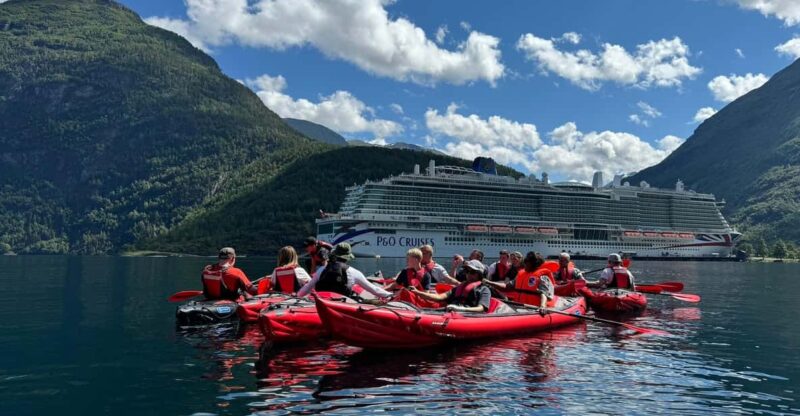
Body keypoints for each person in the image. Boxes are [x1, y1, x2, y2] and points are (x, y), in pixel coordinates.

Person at [297, 243, 392, 300]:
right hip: (342, 303)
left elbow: (307, 288)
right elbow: (373, 290)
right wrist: (390, 295)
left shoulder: (322, 269)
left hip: (323, 300)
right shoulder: (354, 272)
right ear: (348, 257)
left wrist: (296, 296)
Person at [484, 251, 554, 314]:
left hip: (535, 308)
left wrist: (542, 306)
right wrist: (489, 282)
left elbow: (544, 294)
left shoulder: (542, 276)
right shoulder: (521, 274)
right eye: (525, 262)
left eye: (527, 262)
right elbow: (507, 286)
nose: (524, 264)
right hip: (521, 307)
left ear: (535, 264)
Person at [409, 260, 492, 313]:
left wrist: (461, 309)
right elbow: (439, 297)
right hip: (451, 312)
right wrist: (417, 292)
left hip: (467, 314)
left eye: (472, 272)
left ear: (479, 275)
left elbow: (481, 308)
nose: (469, 274)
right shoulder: (459, 288)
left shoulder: (484, 289)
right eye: (467, 271)